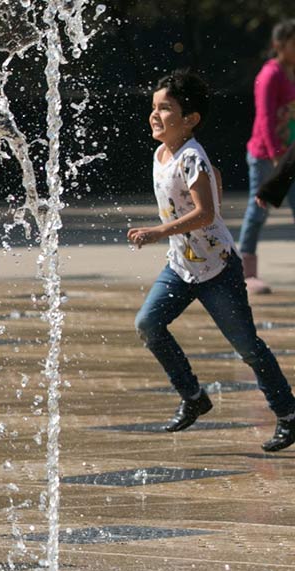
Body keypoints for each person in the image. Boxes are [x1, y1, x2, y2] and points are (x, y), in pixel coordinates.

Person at [129, 70, 295, 453]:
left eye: (165, 109)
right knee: (148, 324)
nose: (155, 115)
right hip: (181, 266)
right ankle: (193, 396)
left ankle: (287, 413)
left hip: (218, 269)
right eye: (154, 107)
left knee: (248, 348)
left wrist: (157, 231)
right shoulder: (163, 153)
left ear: (190, 119)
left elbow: (205, 214)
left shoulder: (191, 156)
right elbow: (206, 188)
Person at [237, 19, 295, 294]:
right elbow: (264, 117)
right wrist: (275, 156)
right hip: (266, 156)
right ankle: (246, 273)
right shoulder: (270, 74)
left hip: (291, 155)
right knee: (258, 209)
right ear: (278, 45)